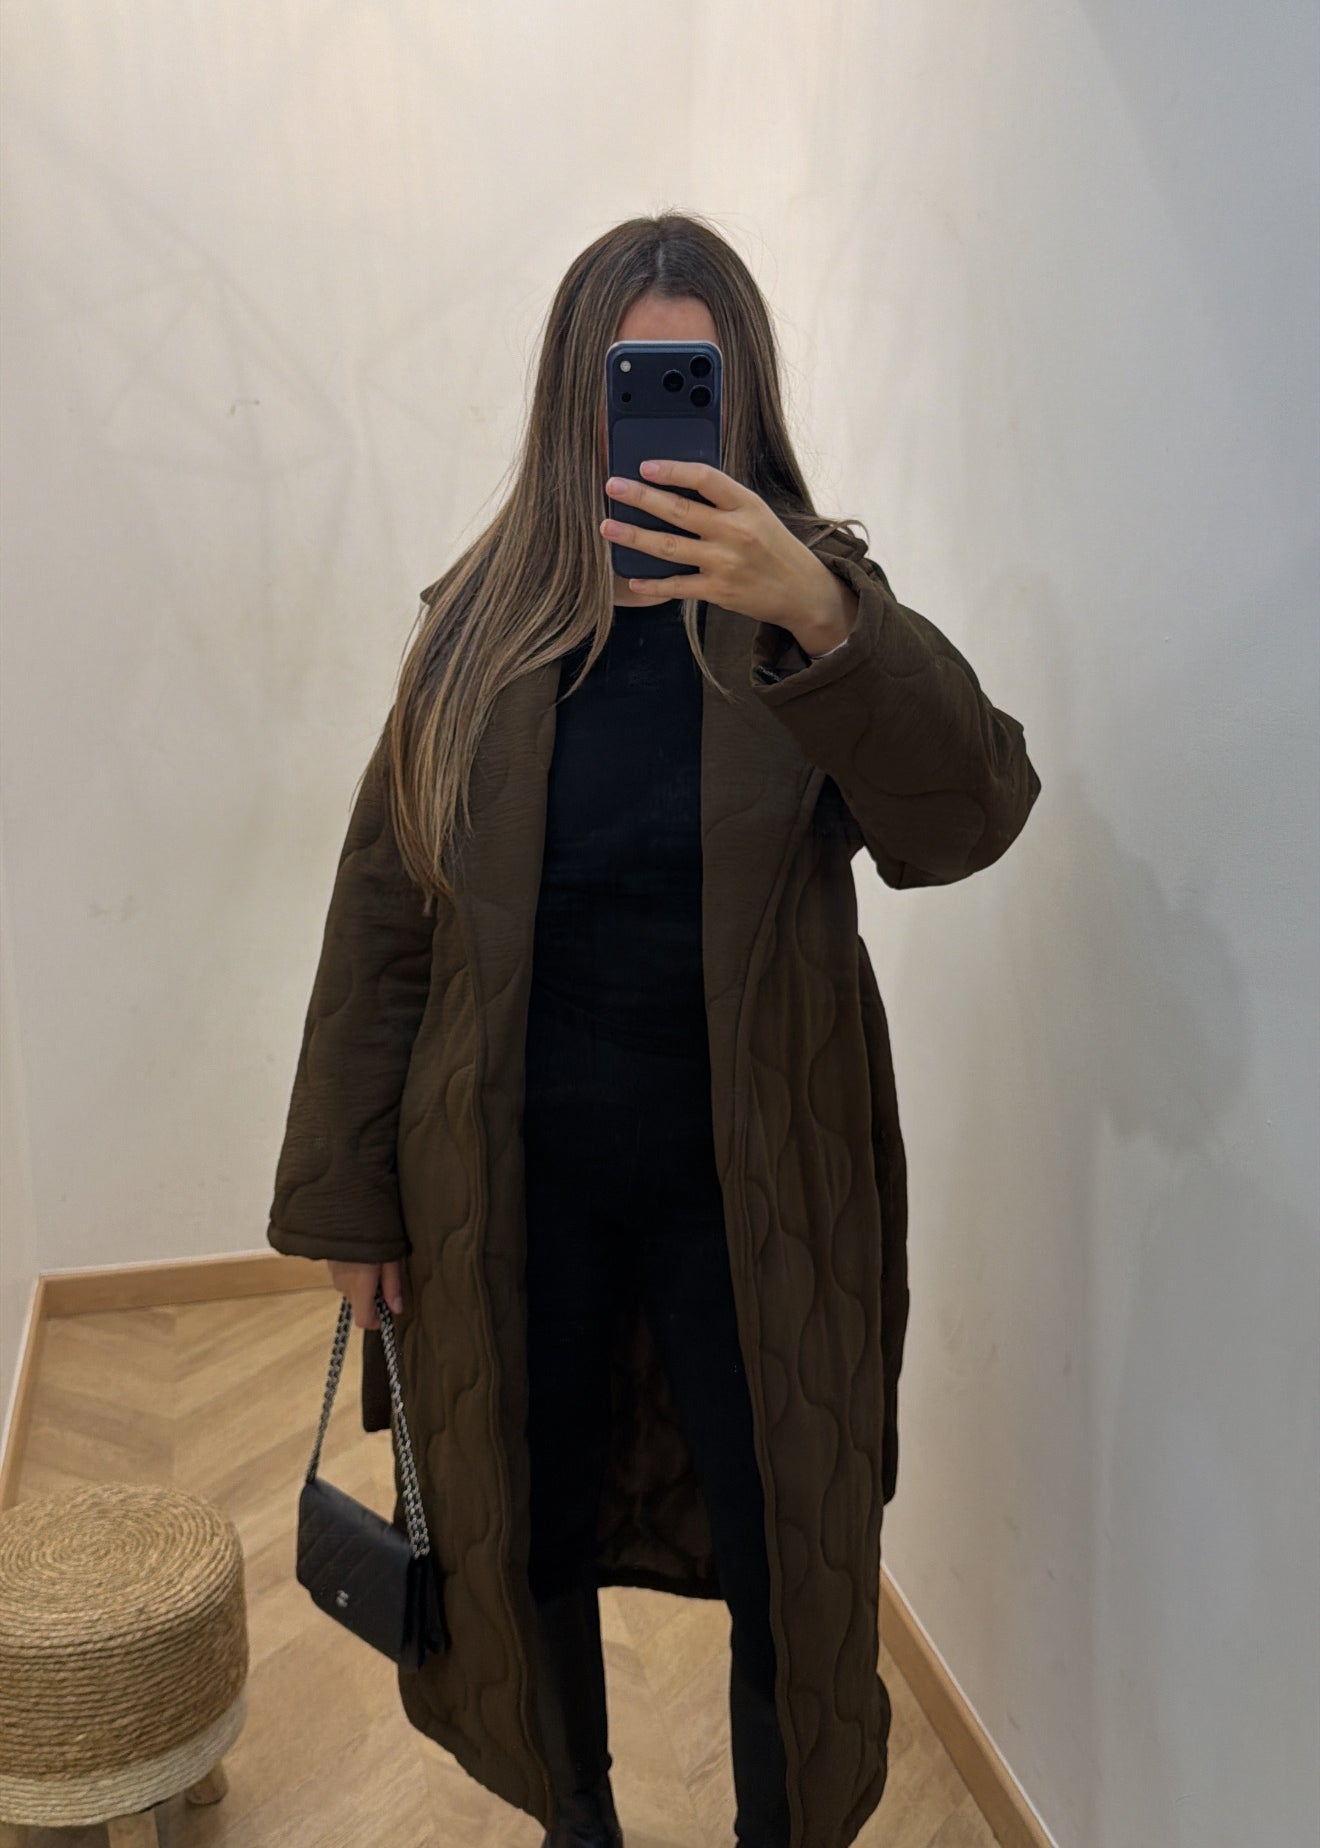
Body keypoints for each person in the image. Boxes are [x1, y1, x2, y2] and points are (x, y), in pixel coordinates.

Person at [268, 211, 1041, 1848]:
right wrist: (354, 1206)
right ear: (578, 402)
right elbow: (384, 921)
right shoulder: (481, 627)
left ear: (745, 399)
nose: (662, 424)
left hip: (757, 1192)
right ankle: (581, 1824)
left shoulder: (808, 614)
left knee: (789, 1553)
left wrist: (827, 616)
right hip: (509, 1187)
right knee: (523, 1525)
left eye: (695, 384)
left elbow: (971, 812)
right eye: (633, 385)